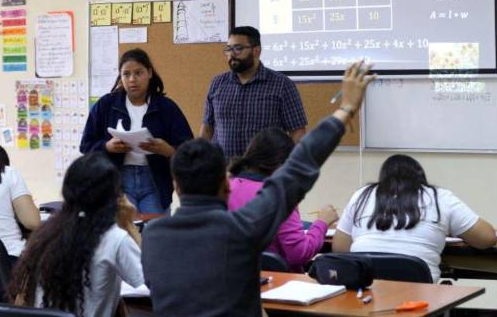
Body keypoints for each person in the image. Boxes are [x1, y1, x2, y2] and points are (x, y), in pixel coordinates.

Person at [142, 61, 375, 317]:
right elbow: (298, 167)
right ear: (226, 184)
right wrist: (346, 109)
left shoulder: (152, 236)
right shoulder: (241, 229)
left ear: (175, 185)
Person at [7, 152, 144, 317]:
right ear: (114, 196)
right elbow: (150, 284)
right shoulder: (114, 237)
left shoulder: (46, 232)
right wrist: (128, 225)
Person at [332, 154, 497, 282]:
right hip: (420, 294)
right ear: (421, 177)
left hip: (366, 290)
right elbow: (487, 238)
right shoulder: (440, 197)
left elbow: (340, 248)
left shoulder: (362, 194)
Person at [80, 48, 193, 213]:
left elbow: (189, 149)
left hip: (155, 181)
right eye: (126, 74)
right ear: (120, 77)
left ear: (150, 73)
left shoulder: (166, 107)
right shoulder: (106, 105)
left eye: (138, 73)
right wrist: (107, 147)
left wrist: (169, 150)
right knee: (123, 235)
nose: (132, 79)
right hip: (117, 182)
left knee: (153, 233)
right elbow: (85, 145)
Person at [227, 127, 338, 272]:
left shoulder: (226, 186)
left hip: (235, 275)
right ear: (281, 165)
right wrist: (322, 223)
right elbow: (299, 253)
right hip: (281, 282)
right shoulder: (280, 195)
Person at [199, 26, 307, 159]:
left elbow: (297, 132)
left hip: (266, 172)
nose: (231, 54)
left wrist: (290, 167)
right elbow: (207, 128)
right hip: (224, 172)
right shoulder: (218, 83)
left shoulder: (282, 85)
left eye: (238, 48)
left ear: (256, 51)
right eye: (228, 49)